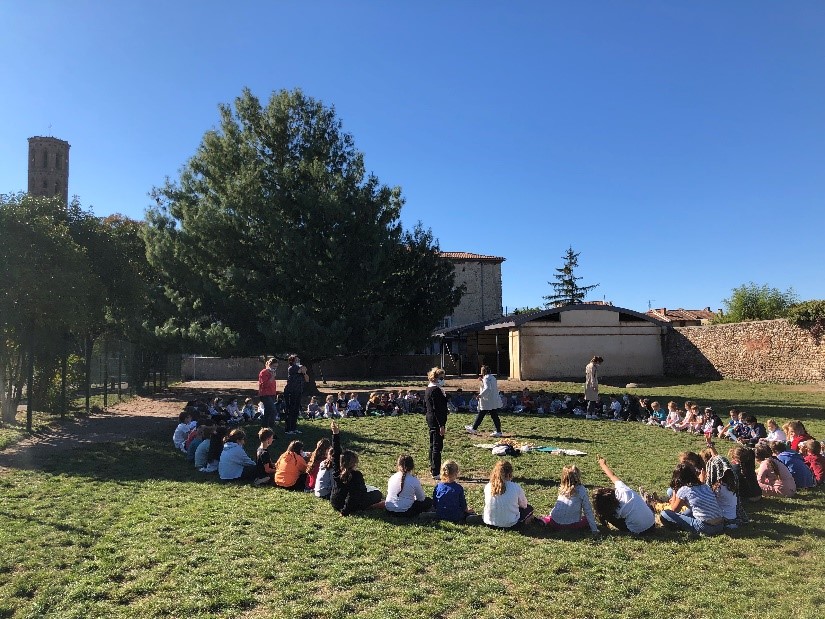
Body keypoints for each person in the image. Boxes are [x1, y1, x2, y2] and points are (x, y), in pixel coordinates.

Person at [329, 421, 384, 515]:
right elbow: (352, 496)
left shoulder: (337, 469)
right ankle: (372, 506)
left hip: (335, 502)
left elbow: (336, 452)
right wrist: (345, 512)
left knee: (366, 490)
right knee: (377, 494)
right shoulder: (356, 475)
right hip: (346, 505)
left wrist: (335, 434)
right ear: (354, 463)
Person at [592, 457, 655, 535]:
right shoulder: (622, 489)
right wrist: (603, 465)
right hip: (652, 523)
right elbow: (612, 476)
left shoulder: (616, 511)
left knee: (609, 517)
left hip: (640, 531)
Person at [659, 463, 724, 536]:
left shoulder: (684, 490)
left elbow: (674, 509)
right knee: (691, 509)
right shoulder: (705, 486)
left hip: (705, 527)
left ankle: (679, 526)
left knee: (664, 514)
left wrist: (675, 491)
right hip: (720, 525)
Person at [539, 465, 599, 534]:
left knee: (553, 515)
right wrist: (594, 530)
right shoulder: (581, 490)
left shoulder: (562, 488)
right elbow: (587, 511)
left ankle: (545, 520)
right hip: (571, 525)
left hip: (554, 522)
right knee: (586, 519)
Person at [482, 460, 534, 530]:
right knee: (529, 509)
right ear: (510, 473)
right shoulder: (515, 487)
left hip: (489, 522)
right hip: (511, 524)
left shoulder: (488, 486)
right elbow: (524, 505)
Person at [425, 367, 449, 480]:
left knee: (432, 444)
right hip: (436, 420)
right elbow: (438, 409)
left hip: (430, 419)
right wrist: (441, 425)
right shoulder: (435, 390)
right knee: (437, 446)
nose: (443, 380)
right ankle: (435, 471)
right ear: (435, 378)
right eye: (441, 378)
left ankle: (433, 468)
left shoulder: (429, 389)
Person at [465, 365, 503, 437]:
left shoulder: (486, 378)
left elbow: (487, 388)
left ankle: (474, 428)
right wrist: (482, 381)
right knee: (494, 415)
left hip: (487, 400)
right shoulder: (492, 377)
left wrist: (480, 395)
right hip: (493, 400)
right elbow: (489, 386)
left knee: (482, 413)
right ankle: (498, 431)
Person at [283, 354, 309, 435]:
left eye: (298, 360)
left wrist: (304, 373)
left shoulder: (299, 369)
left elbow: (307, 379)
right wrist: (303, 370)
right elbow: (302, 369)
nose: (298, 361)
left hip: (298, 392)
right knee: (290, 410)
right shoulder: (291, 368)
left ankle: (294, 428)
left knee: (296, 410)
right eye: (296, 360)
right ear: (292, 361)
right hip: (291, 391)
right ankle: (288, 429)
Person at [258, 357, 279, 428]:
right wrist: (272, 377)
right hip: (265, 395)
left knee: (268, 412)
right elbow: (264, 385)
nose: (275, 368)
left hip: (272, 394)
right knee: (273, 411)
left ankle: (264, 429)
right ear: (269, 365)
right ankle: (270, 428)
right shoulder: (264, 372)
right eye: (274, 366)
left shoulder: (272, 372)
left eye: (276, 366)